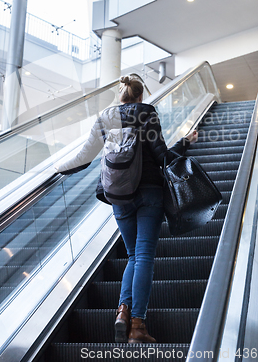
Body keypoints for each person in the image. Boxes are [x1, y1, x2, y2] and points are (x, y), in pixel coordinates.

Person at [54, 75, 198, 343]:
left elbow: (84, 157)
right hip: (149, 192)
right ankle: (137, 325)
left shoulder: (104, 117)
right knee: (143, 256)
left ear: (120, 95)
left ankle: (122, 311)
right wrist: (185, 145)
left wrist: (55, 168)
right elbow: (161, 155)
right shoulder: (147, 113)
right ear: (140, 96)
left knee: (133, 255)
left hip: (118, 195)